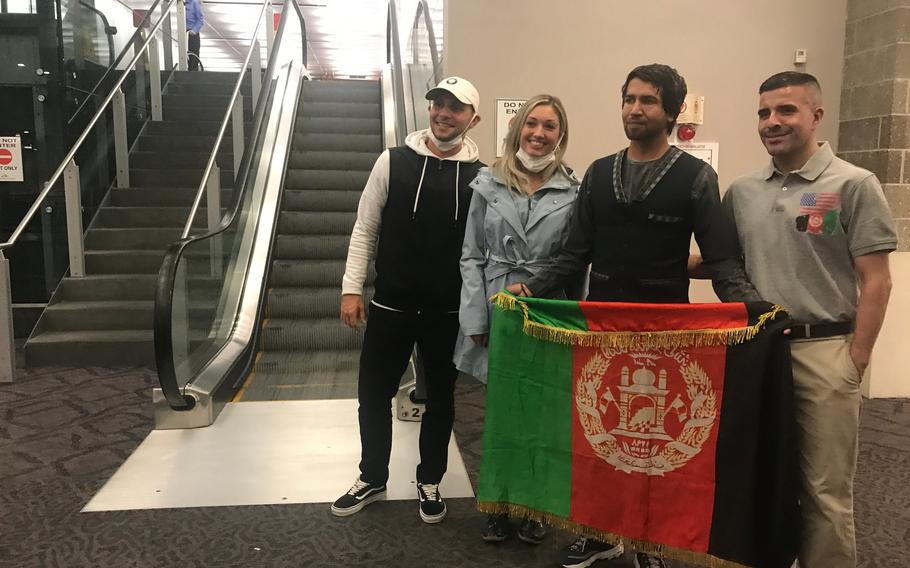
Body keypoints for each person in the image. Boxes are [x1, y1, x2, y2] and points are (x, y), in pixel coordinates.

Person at [507, 64, 758, 568]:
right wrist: (530, 289)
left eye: (647, 101)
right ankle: (603, 534)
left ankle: (647, 542)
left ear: (673, 110)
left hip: (666, 334)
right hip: (601, 332)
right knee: (599, 437)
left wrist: (753, 309)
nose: (634, 109)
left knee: (653, 446)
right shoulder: (598, 173)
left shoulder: (695, 178)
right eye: (629, 99)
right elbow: (574, 253)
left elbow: (723, 258)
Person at [723, 71, 896, 568]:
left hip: (825, 353)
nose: (771, 122)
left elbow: (877, 281)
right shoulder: (742, 192)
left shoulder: (853, 184)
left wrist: (855, 359)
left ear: (816, 116)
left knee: (824, 490)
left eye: (786, 111)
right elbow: (722, 262)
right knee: (760, 481)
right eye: (763, 113)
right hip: (760, 353)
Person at [331, 77, 483, 524]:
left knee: (441, 399)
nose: (443, 113)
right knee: (372, 394)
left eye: (455, 108)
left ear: (473, 119)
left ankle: (430, 479)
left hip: (447, 311)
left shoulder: (483, 177)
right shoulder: (392, 161)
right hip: (391, 305)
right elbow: (365, 228)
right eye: (438, 104)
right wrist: (351, 288)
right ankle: (372, 476)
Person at [455, 94, 582, 545]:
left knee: (545, 416)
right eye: (531, 124)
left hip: (548, 310)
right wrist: (475, 316)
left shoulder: (574, 190)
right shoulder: (488, 183)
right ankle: (497, 505)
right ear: (517, 128)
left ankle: (536, 508)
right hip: (497, 306)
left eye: (549, 126)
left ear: (560, 135)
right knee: (500, 415)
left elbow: (575, 262)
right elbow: (470, 255)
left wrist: (575, 325)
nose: (538, 133)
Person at [185, 0, 204, 71]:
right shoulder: (177, 3)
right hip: (182, 33)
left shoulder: (194, 3)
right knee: (184, 55)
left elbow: (200, 19)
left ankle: (193, 71)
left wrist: (194, 30)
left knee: (193, 54)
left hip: (192, 33)